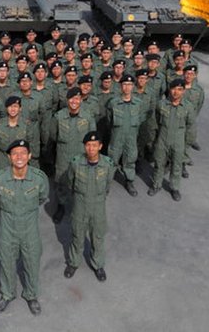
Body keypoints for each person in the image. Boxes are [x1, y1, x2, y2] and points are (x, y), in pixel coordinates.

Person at [0, 140, 49, 315]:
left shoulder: (39, 178)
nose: (19, 157)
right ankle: (7, 294)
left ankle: (31, 295)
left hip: (30, 229)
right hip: (7, 228)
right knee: (7, 262)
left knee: (32, 262)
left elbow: (42, 197)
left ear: (29, 156)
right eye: (15, 153)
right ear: (9, 157)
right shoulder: (0, 178)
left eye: (23, 153)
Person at [64, 131, 114, 282]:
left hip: (98, 206)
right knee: (77, 235)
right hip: (80, 204)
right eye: (88, 145)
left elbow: (107, 185)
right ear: (84, 146)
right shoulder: (75, 163)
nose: (91, 149)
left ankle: (98, 265)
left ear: (100, 146)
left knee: (97, 236)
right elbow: (70, 183)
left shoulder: (107, 164)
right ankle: (73, 263)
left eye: (94, 145)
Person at [51, 87, 97, 223]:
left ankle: (81, 208)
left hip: (82, 156)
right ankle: (61, 206)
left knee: (82, 182)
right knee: (62, 182)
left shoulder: (88, 117)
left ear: (81, 100)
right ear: (67, 100)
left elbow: (92, 138)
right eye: (71, 98)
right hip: (63, 155)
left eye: (77, 98)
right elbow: (53, 135)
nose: (74, 101)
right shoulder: (59, 116)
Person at [149, 79, 195, 201]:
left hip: (178, 140)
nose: (176, 92)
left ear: (183, 91)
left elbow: (190, 127)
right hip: (162, 138)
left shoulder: (188, 107)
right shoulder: (162, 104)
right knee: (159, 163)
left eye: (179, 89)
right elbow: (156, 122)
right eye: (174, 89)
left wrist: (186, 145)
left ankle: (174, 187)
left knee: (176, 165)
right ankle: (156, 185)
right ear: (170, 89)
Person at [106, 74, 145, 196]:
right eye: (124, 84)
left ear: (133, 86)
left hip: (131, 137)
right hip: (116, 137)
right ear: (120, 86)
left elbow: (141, 120)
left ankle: (129, 181)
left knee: (130, 158)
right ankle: (106, 182)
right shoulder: (113, 103)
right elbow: (109, 121)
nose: (127, 87)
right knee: (112, 159)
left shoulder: (138, 104)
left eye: (129, 85)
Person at [181, 64, 204, 177]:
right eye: (187, 73)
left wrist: (192, 117)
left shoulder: (198, 90)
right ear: (183, 74)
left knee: (186, 142)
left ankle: (182, 164)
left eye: (192, 74)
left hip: (189, 122)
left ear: (195, 75)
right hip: (176, 120)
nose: (189, 76)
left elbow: (199, 105)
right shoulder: (178, 87)